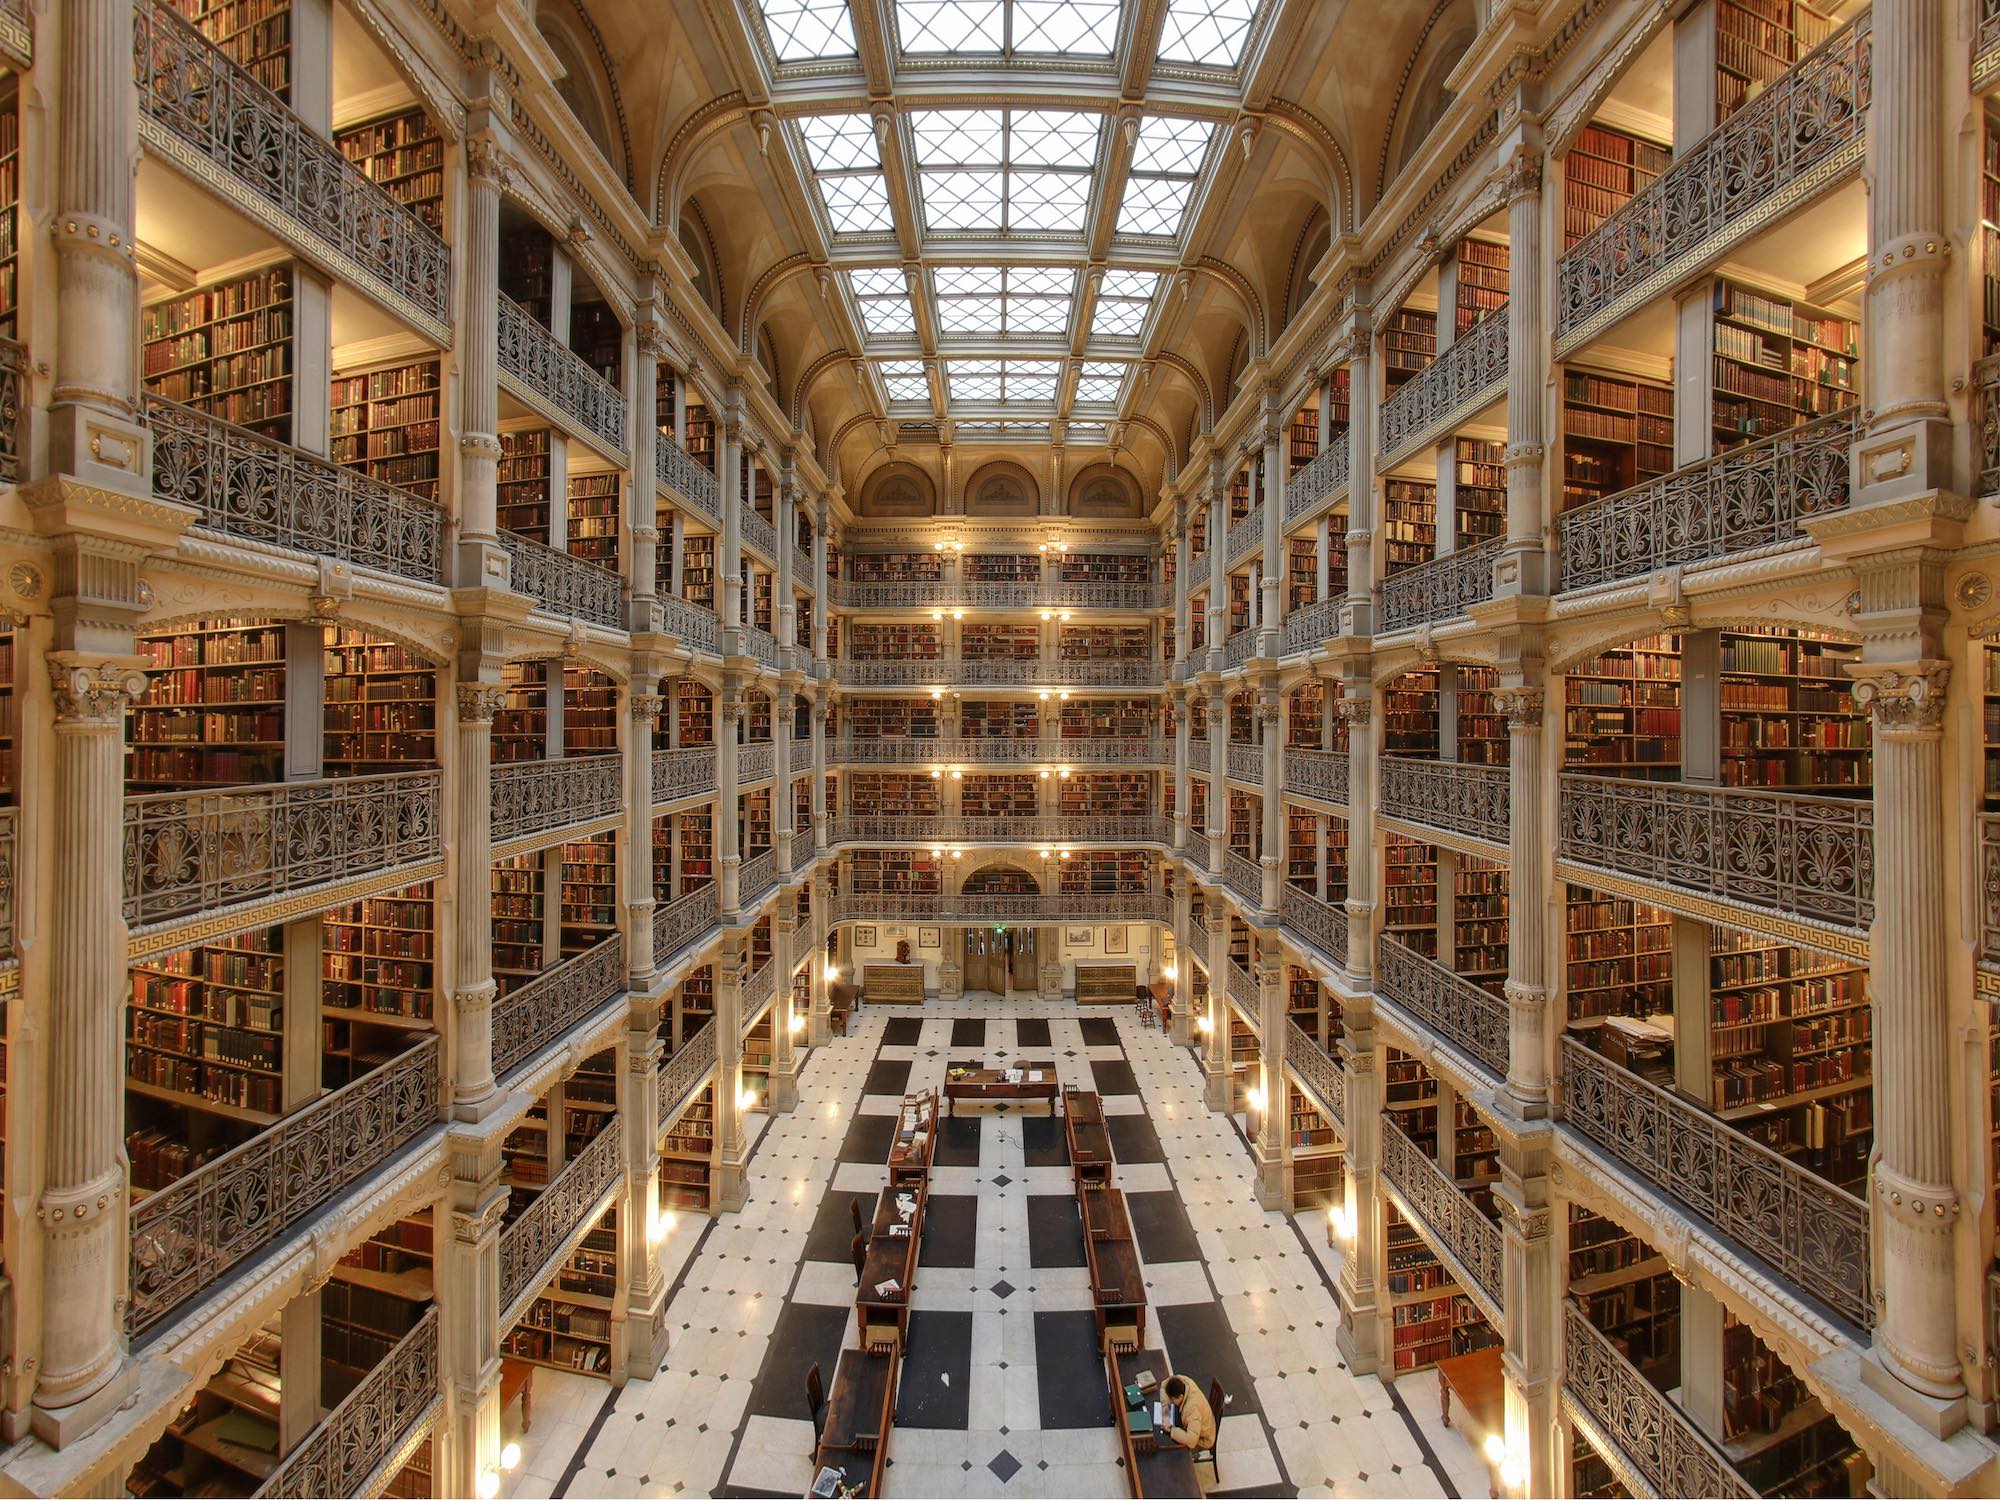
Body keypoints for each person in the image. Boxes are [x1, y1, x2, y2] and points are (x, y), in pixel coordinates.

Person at [1161, 1375, 1215, 1453]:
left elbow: (1191, 1441)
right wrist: (1165, 1406)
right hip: (1195, 1424)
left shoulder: (1192, 1409)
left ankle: (1193, 1455)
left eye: (1172, 1399)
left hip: (1203, 1438)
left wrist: (1170, 1430)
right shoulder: (1183, 1380)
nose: (1171, 1402)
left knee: (1174, 1450)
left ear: (1181, 1396)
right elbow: (1163, 1385)